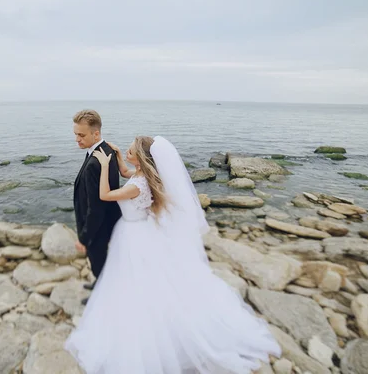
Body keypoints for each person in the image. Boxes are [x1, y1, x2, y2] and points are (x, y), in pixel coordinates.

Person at [65, 135, 281, 374]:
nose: (126, 152)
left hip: (134, 236)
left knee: (136, 283)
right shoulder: (142, 175)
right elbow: (127, 173)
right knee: (142, 282)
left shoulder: (139, 185)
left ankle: (148, 331)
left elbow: (105, 195)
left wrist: (105, 165)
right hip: (139, 231)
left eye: (129, 151)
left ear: (141, 158)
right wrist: (117, 157)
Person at [72, 110, 122, 304]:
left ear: (96, 134)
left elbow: (97, 207)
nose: (77, 139)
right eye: (75, 134)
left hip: (98, 227)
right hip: (105, 223)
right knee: (99, 262)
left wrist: (84, 237)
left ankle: (102, 298)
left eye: (81, 135)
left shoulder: (96, 162)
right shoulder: (105, 151)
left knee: (99, 263)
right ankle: (99, 284)